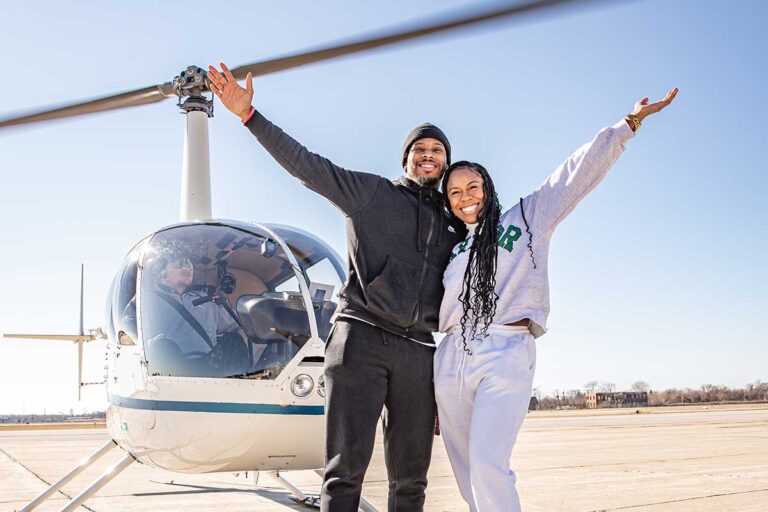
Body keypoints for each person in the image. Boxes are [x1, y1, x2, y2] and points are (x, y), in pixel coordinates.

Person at [207, 63, 465, 511]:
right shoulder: (370, 194)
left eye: (438, 150)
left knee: (412, 479)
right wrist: (250, 117)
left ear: (445, 162)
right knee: (344, 473)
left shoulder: (452, 223)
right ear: (405, 158)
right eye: (420, 148)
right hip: (361, 338)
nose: (429, 155)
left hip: (420, 352)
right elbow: (306, 165)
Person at [434, 89, 679, 511]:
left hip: (504, 348)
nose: (465, 196)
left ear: (487, 188)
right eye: (454, 193)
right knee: (464, 469)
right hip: (452, 353)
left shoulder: (528, 218)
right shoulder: (454, 249)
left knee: (488, 463)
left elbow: (574, 174)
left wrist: (628, 124)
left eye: (472, 186)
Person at [141, 253, 247, 377]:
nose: (187, 268)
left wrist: (255, 314)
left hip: (210, 364)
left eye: (189, 264)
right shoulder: (146, 299)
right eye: (179, 264)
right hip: (171, 369)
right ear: (162, 271)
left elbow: (234, 322)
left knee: (234, 339)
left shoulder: (205, 298)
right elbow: (130, 329)